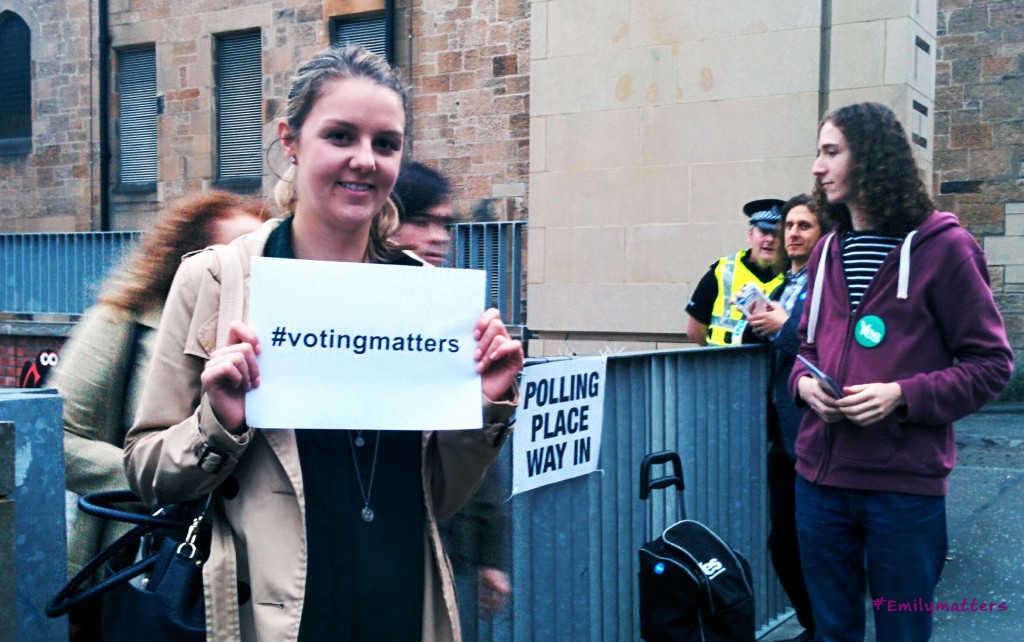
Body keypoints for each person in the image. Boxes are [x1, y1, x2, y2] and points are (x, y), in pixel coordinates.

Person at [122, 45, 524, 642]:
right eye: (340, 136)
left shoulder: (423, 295)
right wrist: (218, 423)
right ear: (290, 138)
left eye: (385, 144)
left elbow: (437, 498)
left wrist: (485, 408)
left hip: (401, 605)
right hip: (278, 617)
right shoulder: (217, 279)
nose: (364, 160)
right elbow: (146, 469)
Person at [789, 102, 1013, 642]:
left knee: (902, 632)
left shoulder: (946, 248)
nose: (817, 167)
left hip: (902, 492)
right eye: (818, 153)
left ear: (871, 158)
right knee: (832, 633)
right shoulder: (827, 251)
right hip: (819, 484)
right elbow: (804, 347)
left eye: (830, 152)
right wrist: (803, 385)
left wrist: (902, 394)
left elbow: (991, 364)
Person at [50, 190, 268, 641]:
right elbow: (57, 442)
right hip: (135, 566)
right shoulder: (121, 322)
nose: (247, 270)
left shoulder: (267, 341)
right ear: (189, 258)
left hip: (246, 577)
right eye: (236, 252)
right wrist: (165, 478)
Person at [392, 160, 512, 639]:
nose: (439, 237)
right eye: (420, 221)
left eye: (445, 223)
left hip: (443, 544)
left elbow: (475, 442)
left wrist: (489, 554)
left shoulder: (453, 316)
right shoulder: (337, 311)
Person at [742, 194, 829, 642]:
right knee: (784, 543)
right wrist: (753, 320)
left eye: (803, 226)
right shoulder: (780, 286)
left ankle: (825, 628)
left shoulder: (826, 284)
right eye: (787, 227)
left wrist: (785, 327)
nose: (790, 234)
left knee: (816, 545)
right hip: (781, 433)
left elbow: (830, 347)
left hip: (815, 434)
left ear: (823, 234)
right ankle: (818, 623)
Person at [686, 199, 785, 346]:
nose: (770, 239)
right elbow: (695, 332)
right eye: (764, 232)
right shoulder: (723, 271)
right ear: (750, 235)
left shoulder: (793, 276)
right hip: (722, 364)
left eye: (776, 234)